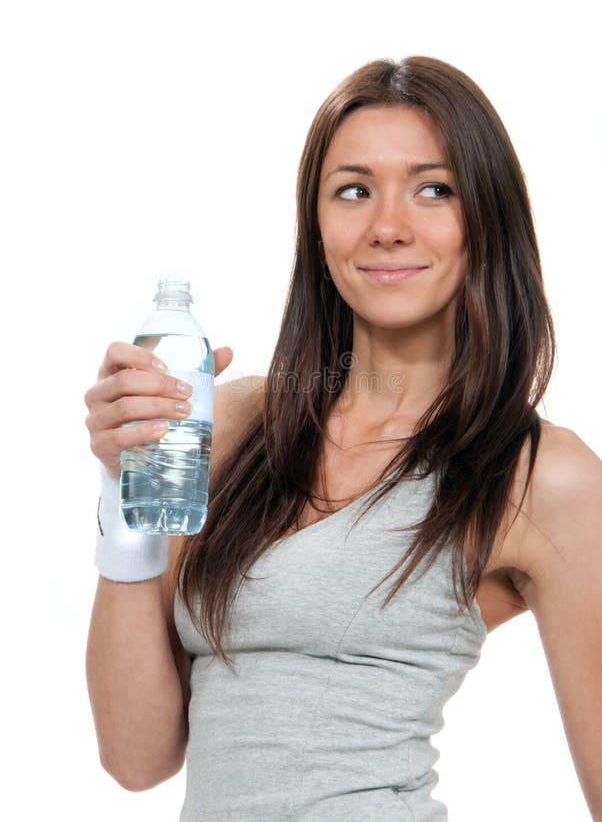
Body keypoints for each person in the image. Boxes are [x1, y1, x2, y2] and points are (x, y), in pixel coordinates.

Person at [85, 56, 602, 821]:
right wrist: (128, 491)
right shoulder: (228, 427)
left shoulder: (540, 477)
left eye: (435, 189)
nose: (387, 227)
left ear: (485, 220)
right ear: (317, 227)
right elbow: (137, 757)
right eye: (353, 191)